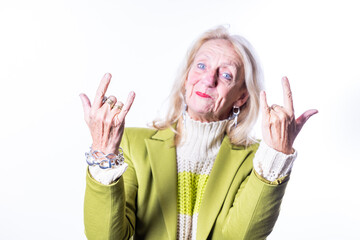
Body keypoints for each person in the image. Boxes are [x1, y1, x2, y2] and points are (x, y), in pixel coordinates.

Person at [80, 26, 317, 240]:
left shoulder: (257, 161)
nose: (208, 79)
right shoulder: (132, 144)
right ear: (186, 78)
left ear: (241, 97)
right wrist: (104, 154)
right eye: (201, 66)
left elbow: (240, 238)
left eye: (226, 75)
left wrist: (275, 155)